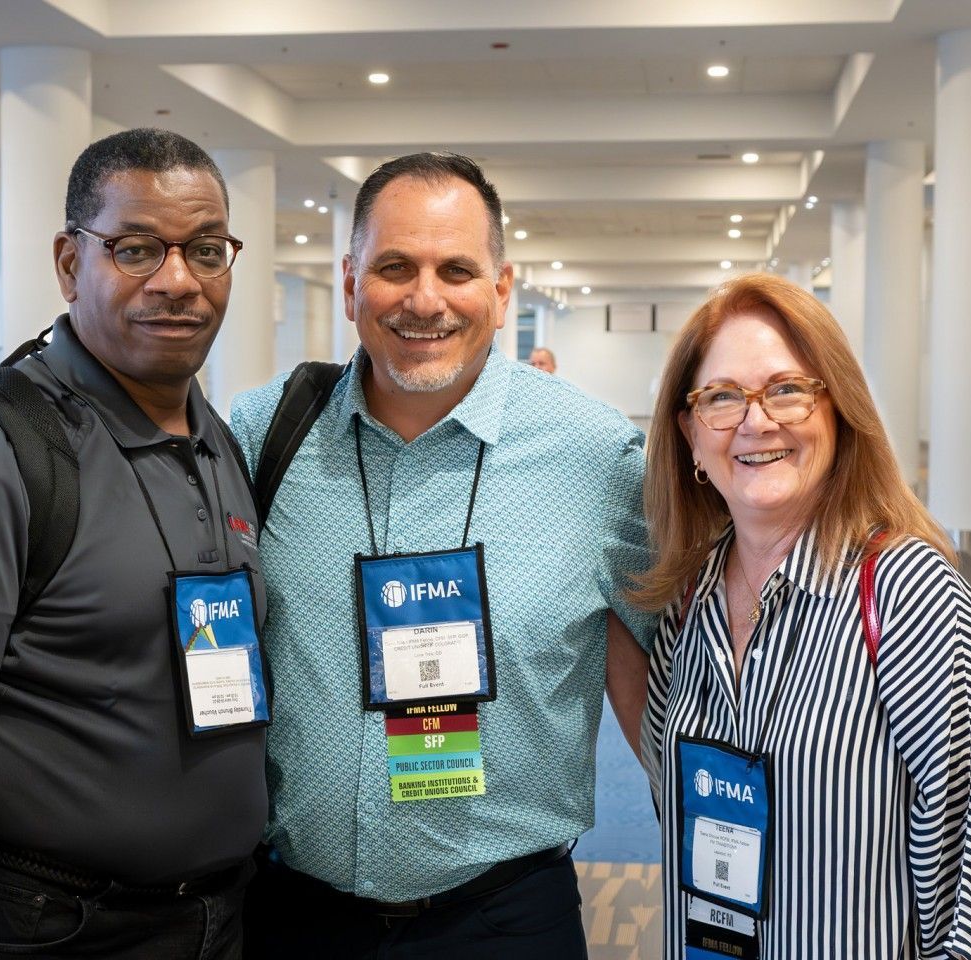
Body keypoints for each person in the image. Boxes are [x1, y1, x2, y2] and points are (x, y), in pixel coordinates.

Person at [228, 152, 654, 959]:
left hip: (502, 919)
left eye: (456, 269)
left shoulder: (596, 458)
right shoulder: (262, 436)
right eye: (395, 267)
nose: (425, 300)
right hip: (291, 915)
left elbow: (670, 677)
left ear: (501, 289)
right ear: (351, 279)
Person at [0, 129, 267, 959]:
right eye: (137, 249)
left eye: (206, 250)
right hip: (46, 927)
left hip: (211, 922)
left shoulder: (214, 438)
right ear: (70, 262)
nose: (179, 281)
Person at [635, 273, 971, 959]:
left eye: (787, 389)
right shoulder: (689, 604)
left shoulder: (909, 592)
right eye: (723, 396)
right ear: (691, 433)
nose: (756, 421)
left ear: (838, 411)